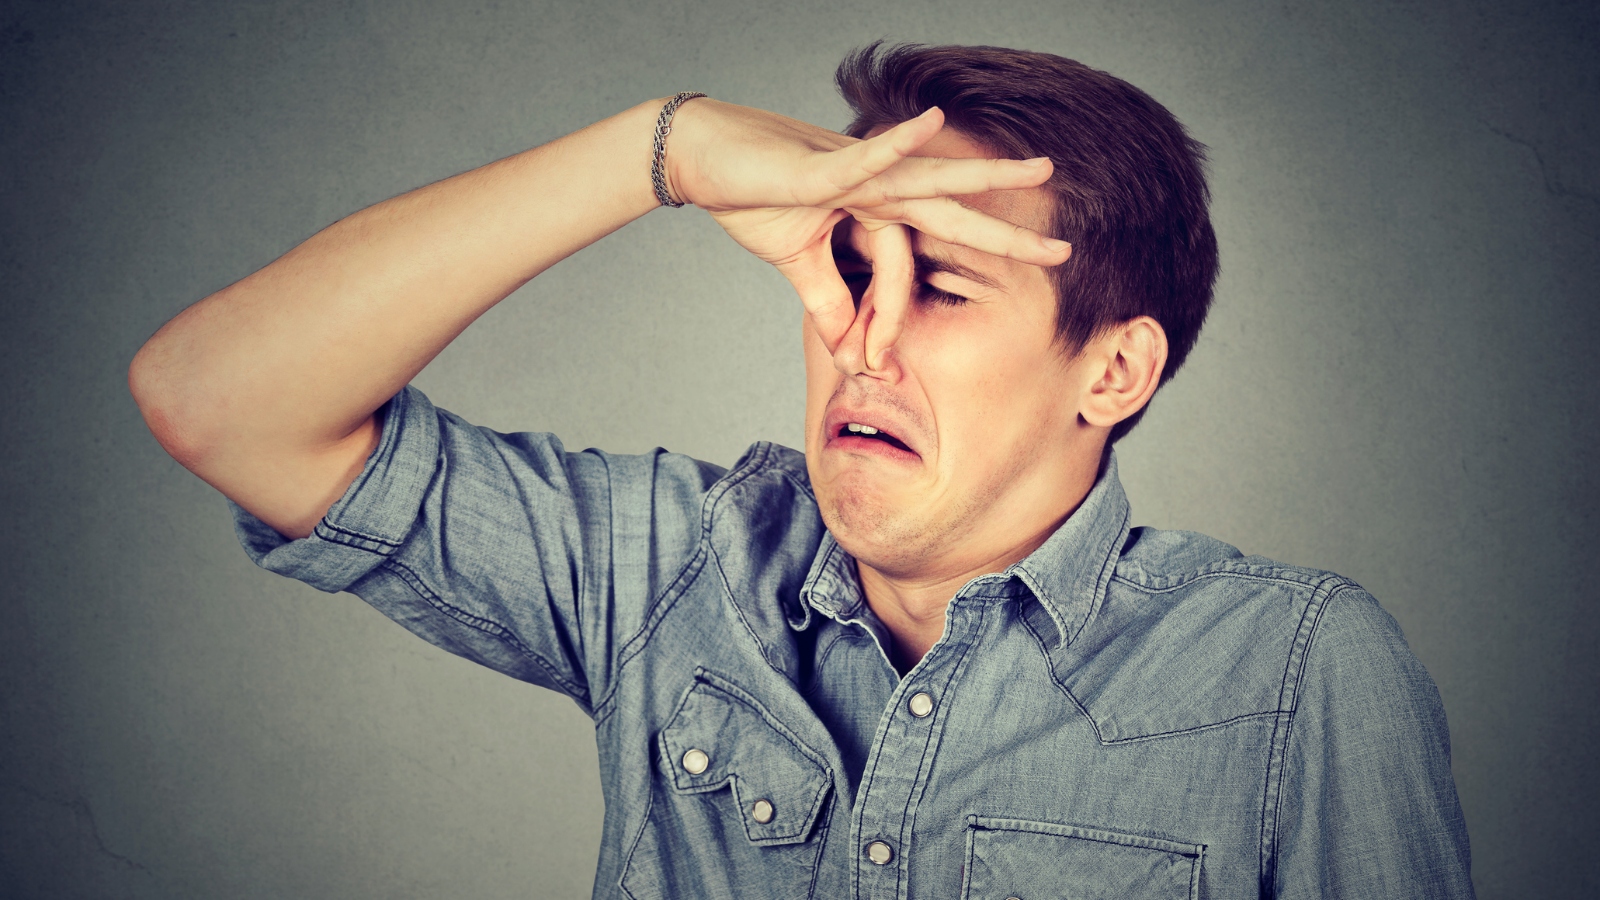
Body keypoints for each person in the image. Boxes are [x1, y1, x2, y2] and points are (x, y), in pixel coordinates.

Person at [128, 43, 1473, 899]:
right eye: (847, 268)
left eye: (940, 286)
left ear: (1113, 372)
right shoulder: (676, 572)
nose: (860, 339)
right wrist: (662, 153)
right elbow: (214, 401)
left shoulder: (1296, 672)